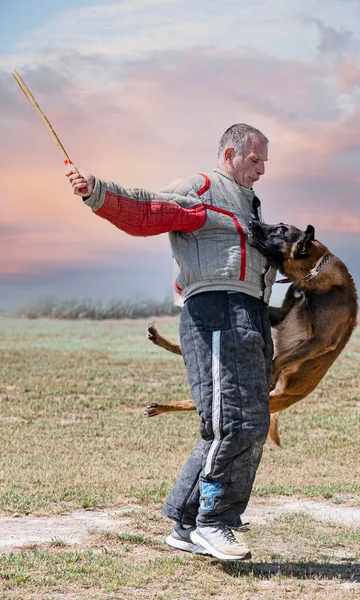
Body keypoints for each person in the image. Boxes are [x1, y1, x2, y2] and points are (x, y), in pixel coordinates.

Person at [67, 123, 276, 561]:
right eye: (254, 159)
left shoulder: (248, 204)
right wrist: (96, 192)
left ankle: (187, 523)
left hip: (250, 312)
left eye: (264, 162)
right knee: (234, 422)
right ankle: (214, 522)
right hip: (218, 311)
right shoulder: (203, 188)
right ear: (229, 154)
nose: (261, 169)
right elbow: (150, 209)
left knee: (242, 423)